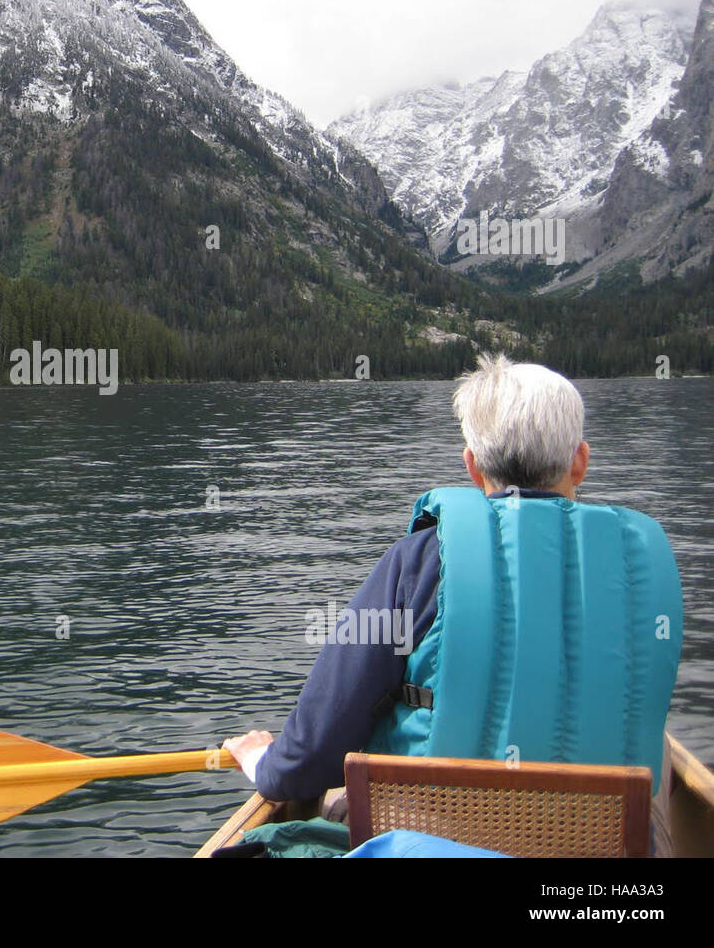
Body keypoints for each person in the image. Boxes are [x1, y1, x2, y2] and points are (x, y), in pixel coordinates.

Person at [223, 353, 683, 842]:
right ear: (580, 461)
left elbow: (317, 744)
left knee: (319, 806)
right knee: (664, 758)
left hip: (436, 841)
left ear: (472, 466)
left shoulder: (418, 564)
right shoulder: (641, 565)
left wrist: (265, 763)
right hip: (598, 850)